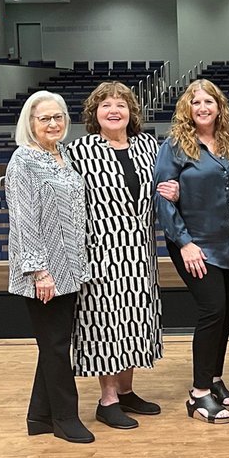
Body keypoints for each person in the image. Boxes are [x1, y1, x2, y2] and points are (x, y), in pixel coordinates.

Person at [67, 81, 164, 430]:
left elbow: (162, 185)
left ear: (131, 112)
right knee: (106, 323)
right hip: (100, 249)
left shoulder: (147, 146)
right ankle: (106, 401)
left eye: (121, 105)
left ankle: (126, 391)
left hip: (139, 250)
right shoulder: (80, 150)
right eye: (105, 105)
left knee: (135, 320)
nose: (114, 110)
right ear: (95, 113)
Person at [154, 79, 229, 424]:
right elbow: (162, 199)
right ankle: (199, 395)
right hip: (195, 245)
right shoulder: (175, 146)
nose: (203, 108)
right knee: (212, 310)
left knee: (225, 315)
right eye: (196, 103)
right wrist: (185, 242)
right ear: (187, 110)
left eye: (210, 101)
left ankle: (215, 377)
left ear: (220, 107)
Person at [6, 91, 94, 444]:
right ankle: (65, 418)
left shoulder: (64, 156)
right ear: (30, 123)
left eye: (58, 117)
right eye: (45, 119)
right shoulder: (23, 160)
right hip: (45, 271)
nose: (54, 123)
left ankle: (38, 417)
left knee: (54, 343)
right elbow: (23, 220)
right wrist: (39, 271)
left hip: (71, 267)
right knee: (56, 346)